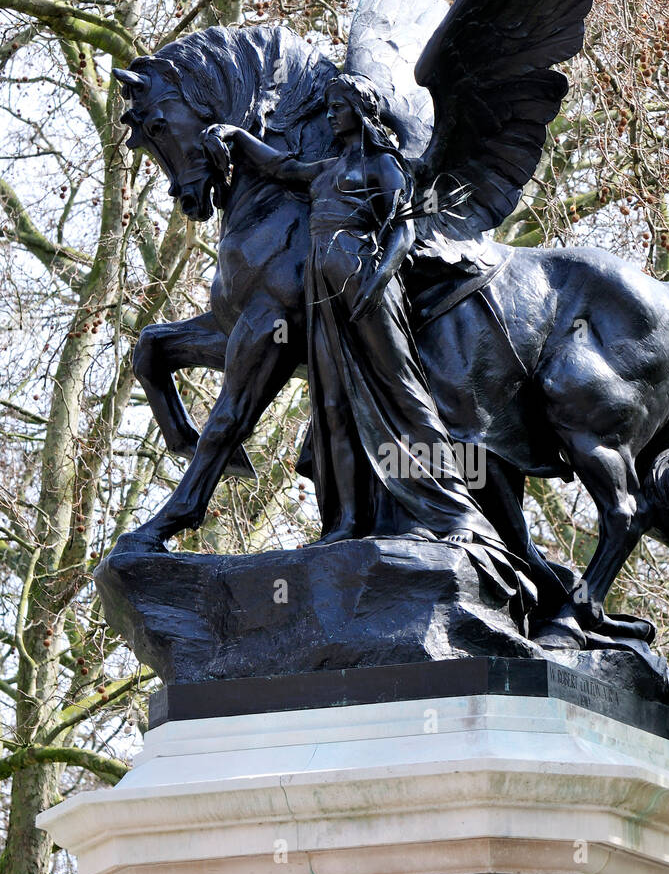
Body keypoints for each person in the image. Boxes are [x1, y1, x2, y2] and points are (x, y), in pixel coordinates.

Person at [202, 75, 510, 551]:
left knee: (403, 394)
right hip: (322, 294)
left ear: (361, 111)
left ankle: (453, 507)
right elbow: (282, 168)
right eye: (327, 108)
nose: (330, 115)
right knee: (332, 405)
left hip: (365, 290)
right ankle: (343, 522)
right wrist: (237, 135)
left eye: (337, 106)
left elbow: (403, 233)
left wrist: (377, 280)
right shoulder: (326, 169)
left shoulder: (383, 165)